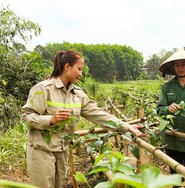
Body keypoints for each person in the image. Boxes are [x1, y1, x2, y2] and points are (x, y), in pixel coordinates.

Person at [21, 49, 144, 188]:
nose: (81, 74)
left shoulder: (78, 94)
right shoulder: (44, 89)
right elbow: (26, 117)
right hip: (41, 151)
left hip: (62, 151)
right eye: (79, 69)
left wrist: (126, 126)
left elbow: (99, 114)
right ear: (67, 67)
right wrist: (51, 119)